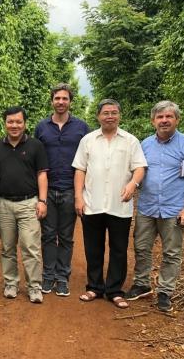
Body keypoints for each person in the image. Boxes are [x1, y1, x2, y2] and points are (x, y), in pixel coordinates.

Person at [125, 101, 184, 312]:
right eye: (160, 117)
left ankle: (165, 291)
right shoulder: (145, 145)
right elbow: (138, 171)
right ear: (153, 121)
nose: (164, 121)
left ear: (177, 120)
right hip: (147, 207)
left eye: (169, 117)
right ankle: (142, 284)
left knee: (171, 252)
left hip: (173, 208)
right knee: (141, 247)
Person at [72, 98, 147, 309]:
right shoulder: (87, 140)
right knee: (93, 248)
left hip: (119, 205)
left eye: (114, 112)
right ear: (98, 116)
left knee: (119, 249)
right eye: (106, 113)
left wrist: (133, 184)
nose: (110, 116)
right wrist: (78, 196)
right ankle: (95, 286)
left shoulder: (130, 141)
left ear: (119, 115)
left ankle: (114, 290)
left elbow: (140, 167)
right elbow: (80, 169)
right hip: (92, 203)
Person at [34, 83, 90, 297]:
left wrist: (82, 193)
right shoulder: (41, 127)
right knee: (48, 235)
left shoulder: (81, 127)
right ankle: (48, 276)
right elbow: (36, 159)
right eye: (57, 98)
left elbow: (87, 159)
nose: (60, 102)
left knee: (66, 236)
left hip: (70, 188)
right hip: (47, 189)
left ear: (70, 101)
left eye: (64, 98)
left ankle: (62, 278)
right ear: (52, 101)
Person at [0, 106, 49, 304]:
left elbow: (42, 174)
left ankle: (34, 287)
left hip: (28, 203)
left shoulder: (36, 145)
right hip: (3, 204)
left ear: (25, 123)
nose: (14, 125)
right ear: (5, 123)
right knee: (7, 247)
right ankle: (11, 284)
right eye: (10, 122)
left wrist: (42, 201)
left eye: (18, 122)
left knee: (31, 247)